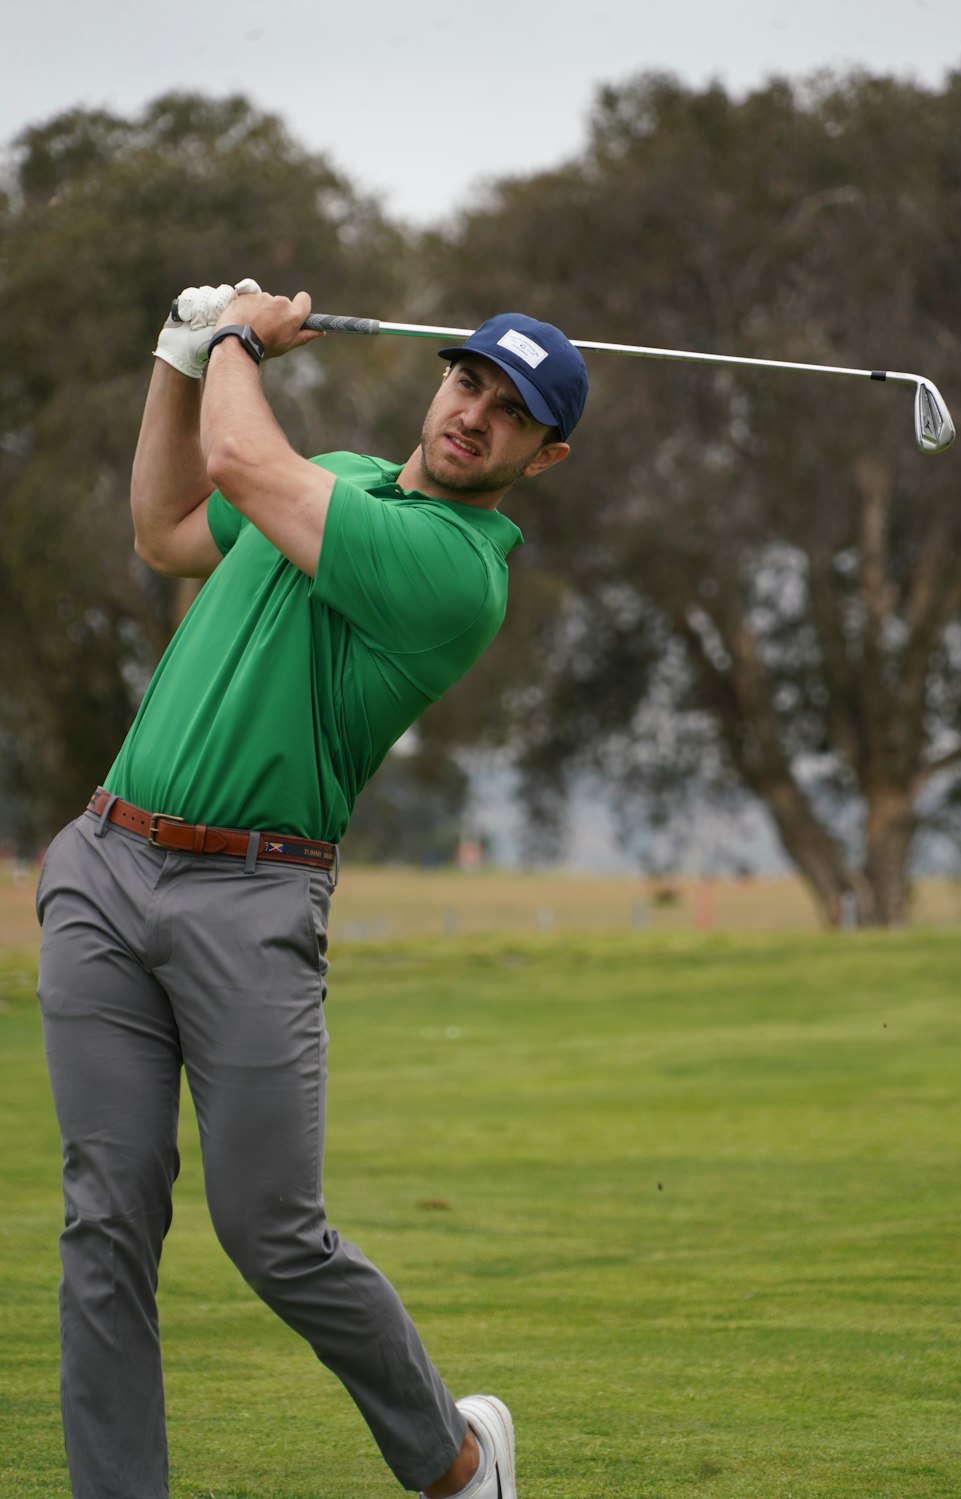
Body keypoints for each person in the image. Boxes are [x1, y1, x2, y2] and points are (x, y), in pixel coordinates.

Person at [35, 277, 588, 1499]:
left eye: (510, 414)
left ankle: (453, 1458)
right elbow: (168, 523)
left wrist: (232, 338)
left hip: (252, 900)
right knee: (103, 1222)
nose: (472, 416)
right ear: (441, 380)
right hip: (106, 867)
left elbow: (240, 462)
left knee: (271, 1233)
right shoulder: (334, 472)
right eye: (467, 382)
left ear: (541, 458)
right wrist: (176, 362)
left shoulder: (452, 568)